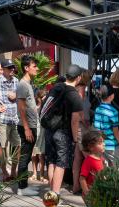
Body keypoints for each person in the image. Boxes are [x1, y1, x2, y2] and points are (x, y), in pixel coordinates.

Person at [41, 65, 85, 194]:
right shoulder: (75, 95)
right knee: (61, 163)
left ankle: (51, 193)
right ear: (78, 78)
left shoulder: (56, 87)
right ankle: (55, 195)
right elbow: (74, 120)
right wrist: (75, 138)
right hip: (63, 132)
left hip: (49, 129)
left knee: (52, 161)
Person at [15, 54, 39, 195]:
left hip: (30, 125)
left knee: (27, 155)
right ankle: (22, 188)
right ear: (26, 68)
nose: (37, 68)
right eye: (34, 66)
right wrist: (26, 128)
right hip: (27, 126)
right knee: (25, 156)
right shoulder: (23, 85)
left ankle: (24, 185)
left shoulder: (27, 84)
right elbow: (21, 107)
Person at [0, 59, 19, 180]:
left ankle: (13, 170)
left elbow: (23, 97)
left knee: (17, 146)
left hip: (14, 120)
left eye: (13, 67)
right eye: (9, 68)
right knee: (2, 148)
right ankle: (4, 172)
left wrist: (16, 96)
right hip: (2, 120)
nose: (12, 70)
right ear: (2, 69)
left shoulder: (16, 81)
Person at [79, 129, 105, 207]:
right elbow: (82, 178)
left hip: (98, 194)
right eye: (100, 143)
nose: (103, 144)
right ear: (91, 147)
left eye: (103, 142)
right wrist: (87, 192)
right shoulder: (89, 160)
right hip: (91, 194)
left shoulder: (101, 159)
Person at [92, 84, 119, 167]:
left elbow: (96, 128)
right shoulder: (113, 111)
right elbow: (116, 132)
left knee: (105, 169)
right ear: (112, 96)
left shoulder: (97, 109)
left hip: (100, 144)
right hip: (112, 145)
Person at [32, 88, 47, 182]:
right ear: (38, 98)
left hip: (42, 132)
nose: (43, 99)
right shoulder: (34, 108)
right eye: (42, 98)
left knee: (41, 155)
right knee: (34, 154)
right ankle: (34, 173)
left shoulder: (45, 108)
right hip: (35, 132)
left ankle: (41, 174)